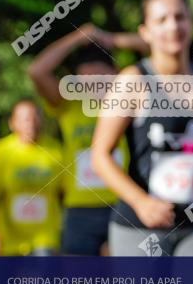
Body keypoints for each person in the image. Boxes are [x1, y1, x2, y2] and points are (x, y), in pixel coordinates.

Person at [91, 0, 193, 256]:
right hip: (138, 226)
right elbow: (100, 156)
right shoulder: (133, 81)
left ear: (191, 22)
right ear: (145, 32)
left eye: (180, 17)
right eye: (162, 20)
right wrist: (141, 202)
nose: (173, 26)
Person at [28, 24, 144, 255]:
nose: (93, 83)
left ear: (116, 75)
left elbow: (162, 49)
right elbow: (36, 71)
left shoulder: (128, 101)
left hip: (124, 203)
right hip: (79, 209)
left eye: (100, 76)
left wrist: (112, 38)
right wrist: (77, 37)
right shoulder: (69, 104)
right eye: (86, 77)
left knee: (125, 281)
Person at [0, 100, 64, 256]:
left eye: (35, 117)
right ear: (12, 123)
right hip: (9, 240)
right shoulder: (1, 150)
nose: (31, 123)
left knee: (43, 280)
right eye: (25, 119)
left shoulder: (55, 150)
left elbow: (62, 194)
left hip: (45, 239)